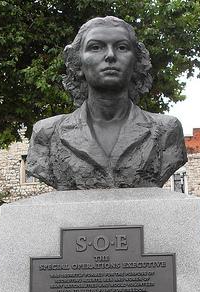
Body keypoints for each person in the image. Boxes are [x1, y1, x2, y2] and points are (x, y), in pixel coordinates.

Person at [27, 16, 187, 190]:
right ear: (78, 63)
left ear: (136, 63)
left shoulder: (167, 130)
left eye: (122, 47)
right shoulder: (46, 134)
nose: (110, 55)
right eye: (95, 47)